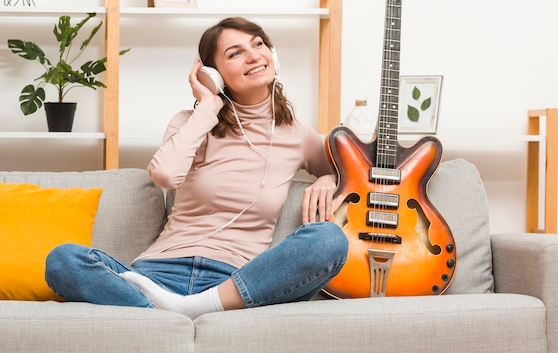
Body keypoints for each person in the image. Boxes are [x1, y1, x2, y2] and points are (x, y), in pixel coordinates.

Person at [45, 17, 349, 320]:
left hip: (234, 283)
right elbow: (165, 175)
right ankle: (167, 310)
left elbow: (354, 171)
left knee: (328, 240)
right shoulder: (190, 122)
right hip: (157, 277)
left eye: (258, 44)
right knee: (62, 260)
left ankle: (171, 314)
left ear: (273, 55)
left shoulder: (297, 134)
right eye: (235, 53)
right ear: (213, 75)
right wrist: (207, 106)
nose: (254, 55)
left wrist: (328, 177)